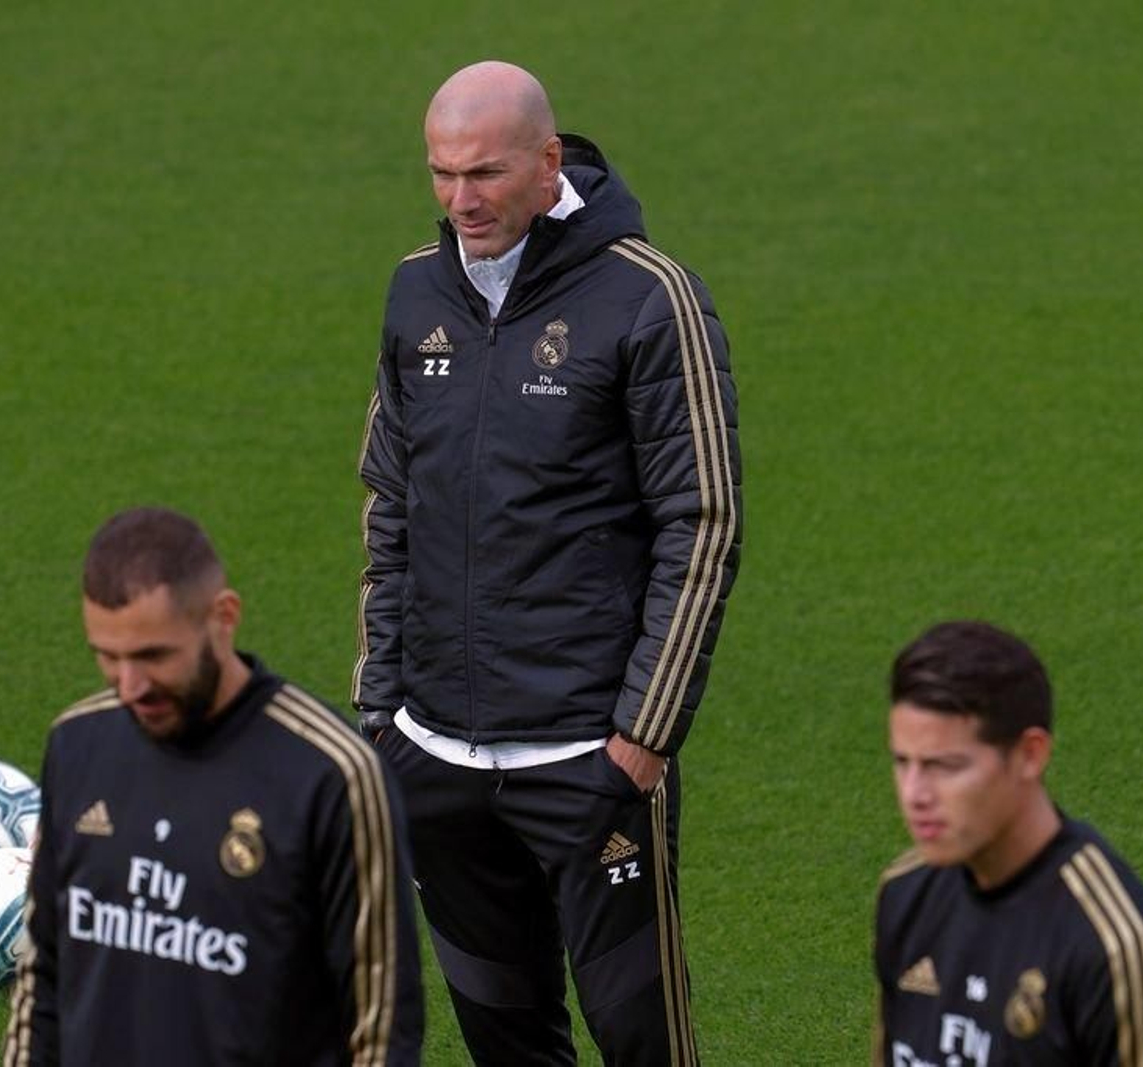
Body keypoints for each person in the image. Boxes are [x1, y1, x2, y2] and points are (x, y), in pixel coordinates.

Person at [353, 60, 741, 1065]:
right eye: (440, 173)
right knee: (502, 1035)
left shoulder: (651, 299)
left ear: (547, 162)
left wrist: (641, 737)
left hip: (584, 758)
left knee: (639, 1036)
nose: (458, 198)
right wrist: (383, 712)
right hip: (436, 753)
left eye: (482, 173)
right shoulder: (413, 293)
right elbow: (390, 504)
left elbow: (701, 522)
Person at [4, 507, 422, 1066]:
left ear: (222, 617)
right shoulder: (78, 744)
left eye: (154, 656)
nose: (129, 686)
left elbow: (381, 1026)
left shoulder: (332, 775)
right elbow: (44, 972)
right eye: (107, 657)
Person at [875, 620, 1143, 1066]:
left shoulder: (1113, 949)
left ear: (1030, 755)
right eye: (902, 762)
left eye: (944, 766)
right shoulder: (906, 891)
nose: (914, 794)